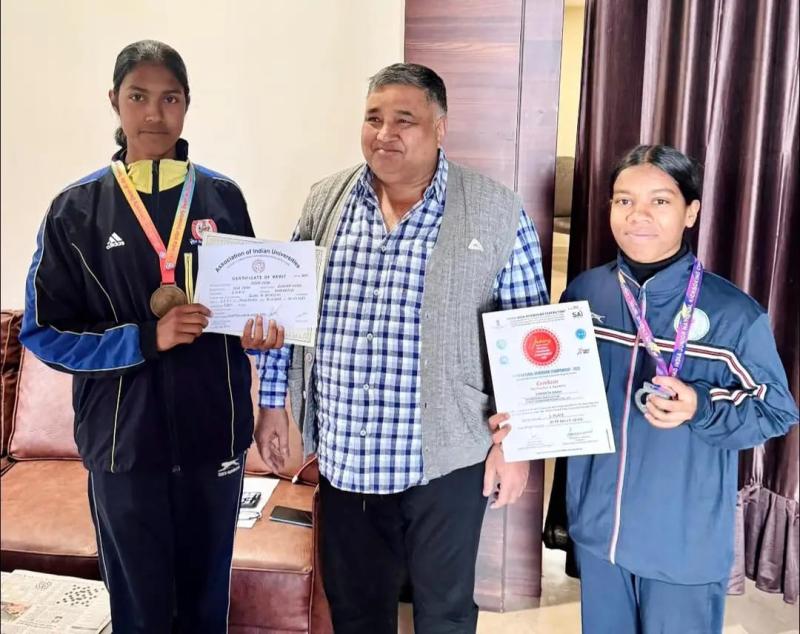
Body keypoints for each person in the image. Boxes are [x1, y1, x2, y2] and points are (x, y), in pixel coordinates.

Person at [255, 63, 549, 633]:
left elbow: (527, 335)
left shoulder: (495, 210)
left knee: (445, 612)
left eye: (404, 120)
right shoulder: (325, 201)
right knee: (356, 610)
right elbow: (287, 312)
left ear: (440, 127)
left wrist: (518, 446)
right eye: (373, 118)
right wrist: (272, 404)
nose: (384, 133)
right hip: (346, 453)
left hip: (448, 458)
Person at [19, 39, 283, 633]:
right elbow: (44, 332)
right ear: (114, 100)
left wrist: (260, 332)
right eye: (138, 97)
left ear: (187, 104)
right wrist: (144, 339)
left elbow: (249, 300)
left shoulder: (223, 197)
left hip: (214, 434)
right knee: (140, 609)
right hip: (123, 445)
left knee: (205, 604)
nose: (155, 114)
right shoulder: (75, 210)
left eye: (170, 98)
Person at [492, 144, 799, 633]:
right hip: (600, 532)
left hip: (682, 543)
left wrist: (700, 405)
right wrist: (520, 417)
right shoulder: (585, 294)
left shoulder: (733, 315)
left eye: (659, 201)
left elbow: (777, 410)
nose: (638, 215)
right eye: (624, 200)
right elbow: (555, 386)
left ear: (690, 212)